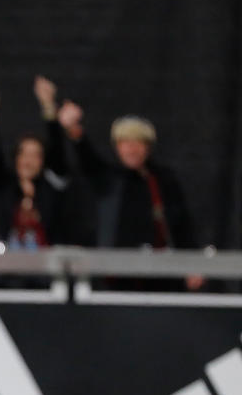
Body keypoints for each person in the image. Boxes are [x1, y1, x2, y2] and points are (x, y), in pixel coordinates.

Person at [57, 100, 202, 289]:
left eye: (138, 143)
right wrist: (73, 129)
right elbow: (88, 159)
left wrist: (194, 266)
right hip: (116, 277)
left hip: (161, 277)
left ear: (148, 147)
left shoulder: (162, 180)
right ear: (117, 147)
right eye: (125, 143)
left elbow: (182, 225)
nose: (131, 149)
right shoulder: (110, 178)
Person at [0, 76, 70, 246]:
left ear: (43, 161)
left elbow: (58, 150)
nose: (29, 161)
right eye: (24, 154)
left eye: (36, 155)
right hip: (10, 266)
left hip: (45, 266)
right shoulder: (6, 186)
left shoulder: (51, 187)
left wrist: (49, 107)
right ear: (16, 158)